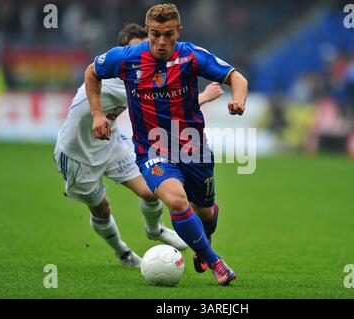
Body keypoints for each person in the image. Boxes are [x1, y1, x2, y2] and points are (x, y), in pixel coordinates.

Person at [85, 4, 248, 286]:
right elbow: (91, 72)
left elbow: (237, 77)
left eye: (168, 35)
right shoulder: (127, 58)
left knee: (206, 213)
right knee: (175, 199)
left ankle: (203, 238)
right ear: (148, 31)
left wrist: (239, 99)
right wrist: (98, 114)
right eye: (156, 34)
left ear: (178, 32)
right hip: (152, 150)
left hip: (193, 148)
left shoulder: (192, 56)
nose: (162, 42)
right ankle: (215, 262)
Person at [54, 22, 225, 268]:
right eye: (138, 49)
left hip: (110, 142)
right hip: (78, 153)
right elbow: (169, 103)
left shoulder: (150, 71)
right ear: (123, 54)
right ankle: (122, 253)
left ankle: (154, 229)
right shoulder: (119, 77)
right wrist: (206, 96)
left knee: (150, 188)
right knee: (101, 208)